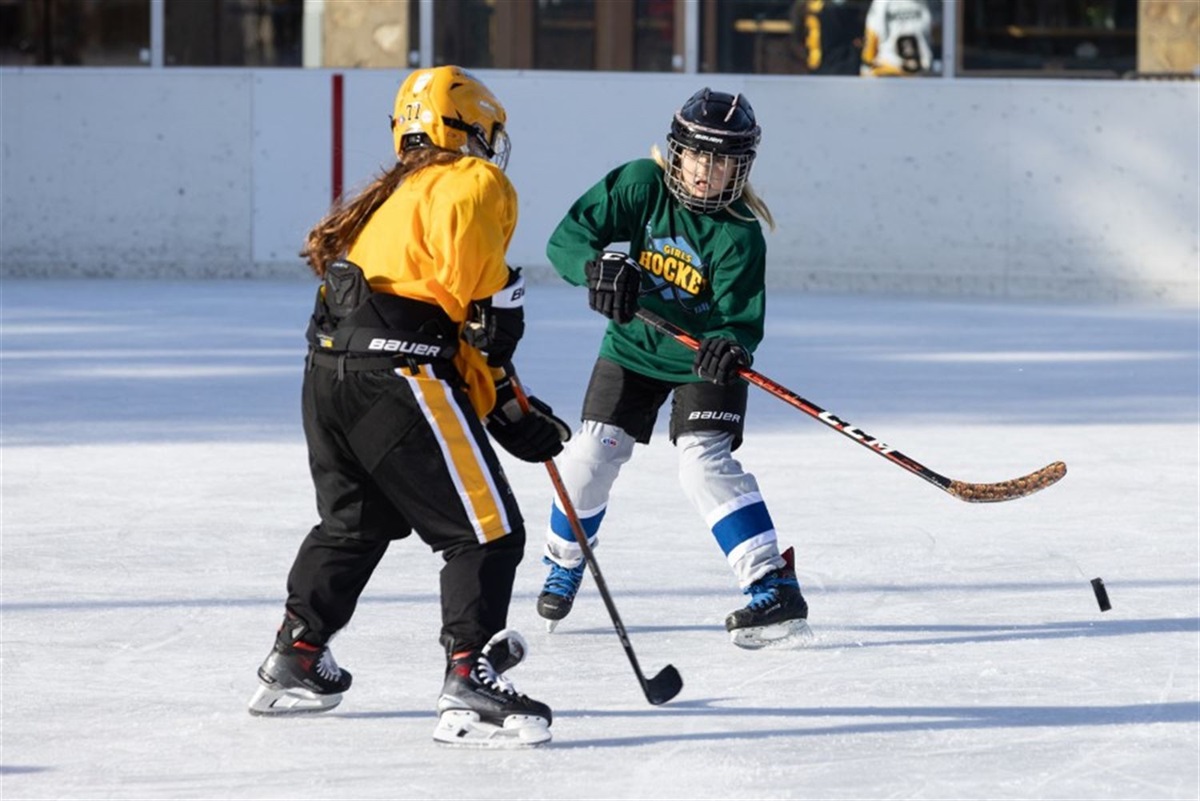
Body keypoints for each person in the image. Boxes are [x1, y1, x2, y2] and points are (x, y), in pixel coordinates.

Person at [246, 65, 570, 748]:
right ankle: (469, 673)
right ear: (470, 128)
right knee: (486, 530)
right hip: (398, 375)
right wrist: (506, 405)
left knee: (356, 520)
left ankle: (298, 651)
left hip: (329, 377)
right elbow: (476, 322)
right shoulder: (476, 183)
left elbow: (442, 318)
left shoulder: (386, 195)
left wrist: (499, 400)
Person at [535, 88, 812, 650]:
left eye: (724, 159)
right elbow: (566, 241)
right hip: (632, 349)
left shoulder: (739, 234)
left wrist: (728, 346)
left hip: (699, 361)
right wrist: (598, 270)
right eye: (700, 155)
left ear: (742, 166)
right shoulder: (640, 184)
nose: (709, 170)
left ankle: (771, 584)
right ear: (678, 151)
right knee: (591, 456)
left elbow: (740, 321)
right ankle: (565, 561)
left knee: (702, 466)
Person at [790, 0, 868, 76]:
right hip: (841, 65)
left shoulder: (803, 7)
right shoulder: (839, 9)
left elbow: (798, 33)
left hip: (818, 65)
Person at [860, 0, 934, 76]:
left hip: (889, 68)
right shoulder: (924, 3)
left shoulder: (881, 2)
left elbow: (873, 33)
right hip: (920, 68)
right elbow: (933, 30)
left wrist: (867, 64)